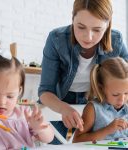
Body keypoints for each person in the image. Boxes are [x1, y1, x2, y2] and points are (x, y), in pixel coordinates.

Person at [38, 0, 128, 144]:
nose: (88, 37)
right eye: (80, 27)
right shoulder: (56, 39)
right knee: (51, 144)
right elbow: (45, 92)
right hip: (60, 100)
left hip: (95, 101)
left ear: (108, 25)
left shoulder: (116, 41)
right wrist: (64, 109)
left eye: (97, 30)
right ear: (72, 18)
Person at [0, 42, 54, 150]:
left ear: (19, 92)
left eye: (9, 96)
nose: (2, 102)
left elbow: (49, 138)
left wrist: (40, 128)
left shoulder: (25, 115)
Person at [73, 57, 128, 142]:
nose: (122, 100)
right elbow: (77, 140)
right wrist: (108, 129)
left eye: (126, 93)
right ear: (101, 88)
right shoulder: (93, 109)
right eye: (115, 94)